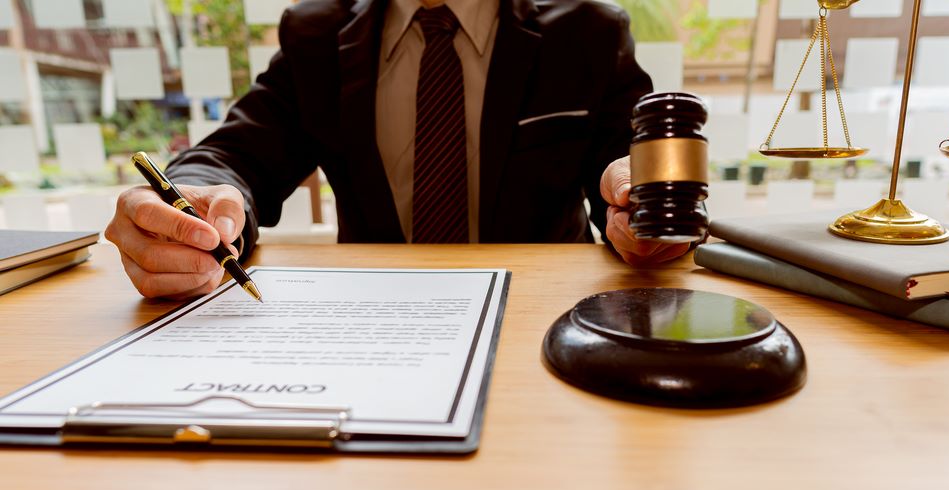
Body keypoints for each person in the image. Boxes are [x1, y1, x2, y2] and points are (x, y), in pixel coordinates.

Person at [105, 0, 690, 299]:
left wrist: (649, 203)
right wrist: (194, 198)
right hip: (377, 324)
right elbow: (235, 154)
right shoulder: (316, 34)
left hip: (542, 323)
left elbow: (631, 164)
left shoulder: (587, 30)